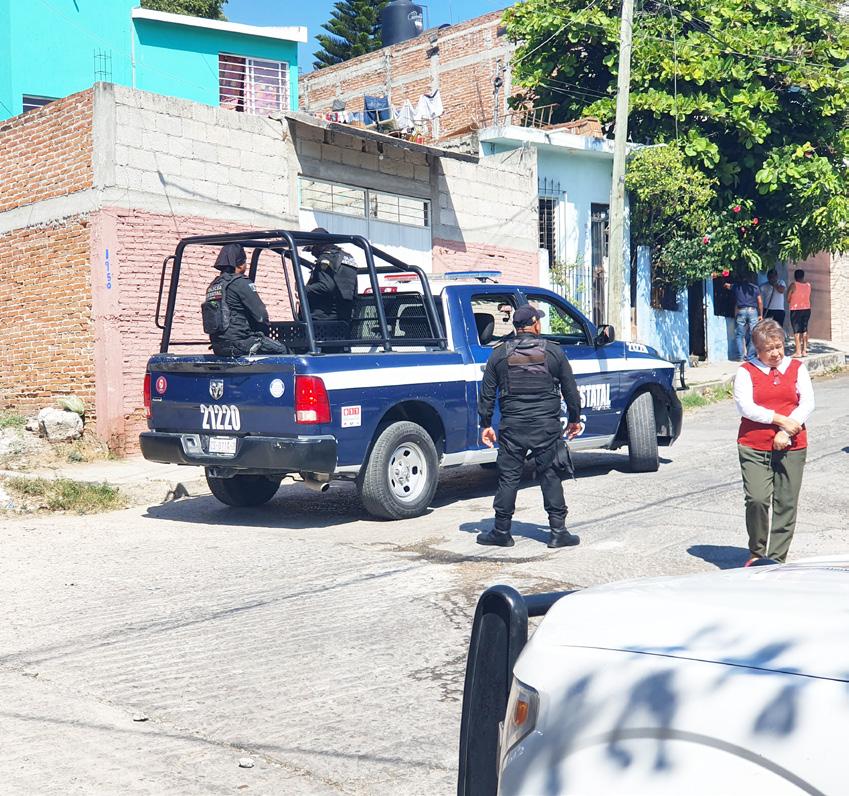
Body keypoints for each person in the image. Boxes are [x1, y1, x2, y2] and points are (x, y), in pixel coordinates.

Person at [476, 304, 582, 549]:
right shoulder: (553, 352)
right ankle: (558, 532)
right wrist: (575, 419)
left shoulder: (498, 354)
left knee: (508, 477)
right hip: (546, 427)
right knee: (550, 474)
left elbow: (487, 394)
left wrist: (485, 424)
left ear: (516, 327)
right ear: (535, 324)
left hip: (512, 428)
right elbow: (570, 389)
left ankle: (501, 531)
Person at [733, 319, 814, 565]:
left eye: (779, 346)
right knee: (756, 499)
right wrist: (779, 419)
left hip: (792, 445)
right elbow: (745, 407)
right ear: (758, 350)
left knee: (786, 503)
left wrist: (786, 432)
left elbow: (807, 403)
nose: (776, 353)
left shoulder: (797, 368)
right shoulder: (746, 371)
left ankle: (776, 560)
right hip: (754, 445)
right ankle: (757, 552)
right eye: (769, 349)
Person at [202, 243, 289, 357]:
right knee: (284, 351)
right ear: (239, 264)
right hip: (240, 344)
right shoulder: (240, 282)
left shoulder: (214, 285)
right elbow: (261, 316)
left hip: (218, 347)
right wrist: (264, 332)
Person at [304, 228, 358, 325]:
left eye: (312, 248)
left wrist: (304, 289)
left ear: (320, 245)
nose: (312, 253)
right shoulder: (348, 258)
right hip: (344, 318)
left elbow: (326, 286)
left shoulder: (326, 258)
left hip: (322, 319)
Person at [724, 271, 762, 361]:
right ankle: (750, 356)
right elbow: (760, 302)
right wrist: (760, 314)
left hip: (741, 311)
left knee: (740, 335)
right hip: (752, 311)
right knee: (754, 334)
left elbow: (727, 286)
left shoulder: (737, 286)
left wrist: (723, 280)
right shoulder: (755, 288)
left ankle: (741, 356)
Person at [786, 268, 812, 358]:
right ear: (803, 276)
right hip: (807, 309)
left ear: (795, 276)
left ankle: (798, 351)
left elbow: (788, 298)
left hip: (796, 310)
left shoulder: (793, 285)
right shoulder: (808, 285)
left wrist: (791, 299)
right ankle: (804, 350)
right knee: (804, 329)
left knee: (796, 331)